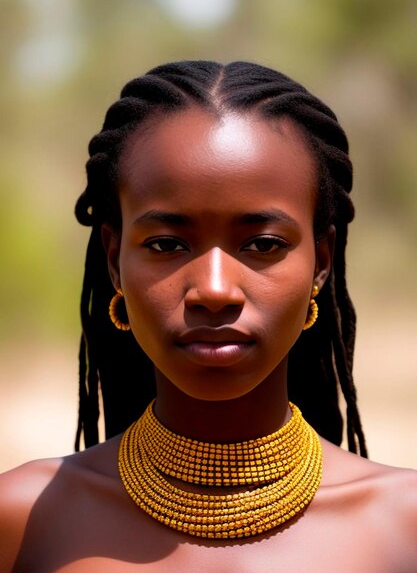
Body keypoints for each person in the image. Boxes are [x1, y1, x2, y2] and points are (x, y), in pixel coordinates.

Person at [1, 60, 416, 572]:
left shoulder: (405, 527)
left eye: (263, 244)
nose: (214, 291)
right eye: (167, 244)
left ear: (321, 262)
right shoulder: (23, 521)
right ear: (114, 261)